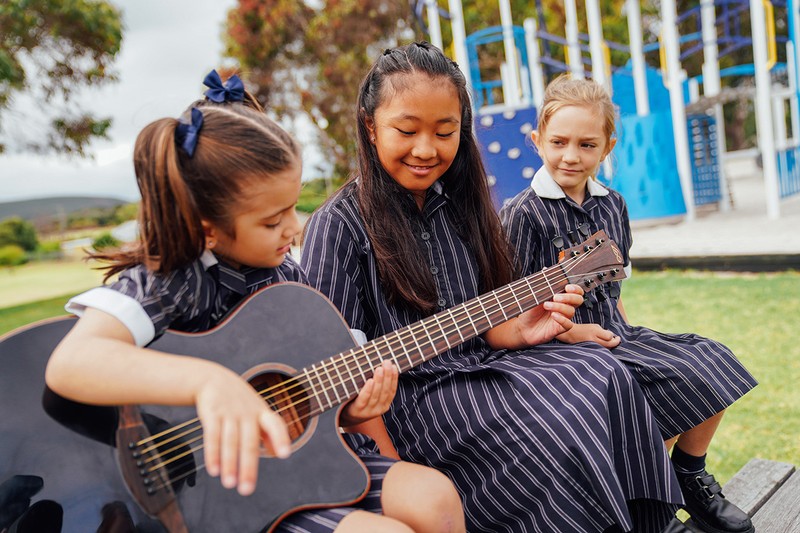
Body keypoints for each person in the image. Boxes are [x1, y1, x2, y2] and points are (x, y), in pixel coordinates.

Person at [45, 70, 465, 533]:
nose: (294, 228)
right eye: (271, 221)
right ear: (208, 226)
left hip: (292, 468)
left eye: (293, 207)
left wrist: (350, 407)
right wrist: (208, 384)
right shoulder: (170, 279)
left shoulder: (285, 275)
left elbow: (302, 394)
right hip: (218, 495)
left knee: (436, 498)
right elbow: (72, 362)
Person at [301, 41, 687, 533]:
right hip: (410, 404)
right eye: (406, 130)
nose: (427, 149)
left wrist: (521, 331)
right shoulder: (339, 225)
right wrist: (393, 467)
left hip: (481, 368)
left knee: (601, 371)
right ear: (369, 125)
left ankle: (648, 520)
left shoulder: (464, 205)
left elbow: (484, 324)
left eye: (446, 132)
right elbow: (337, 378)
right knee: (553, 423)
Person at [499, 74, 758, 533]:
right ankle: (651, 513)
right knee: (633, 391)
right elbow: (515, 312)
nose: (571, 156)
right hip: (553, 348)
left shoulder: (612, 205)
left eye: (587, 144)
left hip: (612, 331)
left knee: (710, 361)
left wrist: (635, 335)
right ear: (537, 140)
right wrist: (575, 331)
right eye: (559, 142)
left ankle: (688, 478)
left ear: (607, 146)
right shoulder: (522, 214)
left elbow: (614, 289)